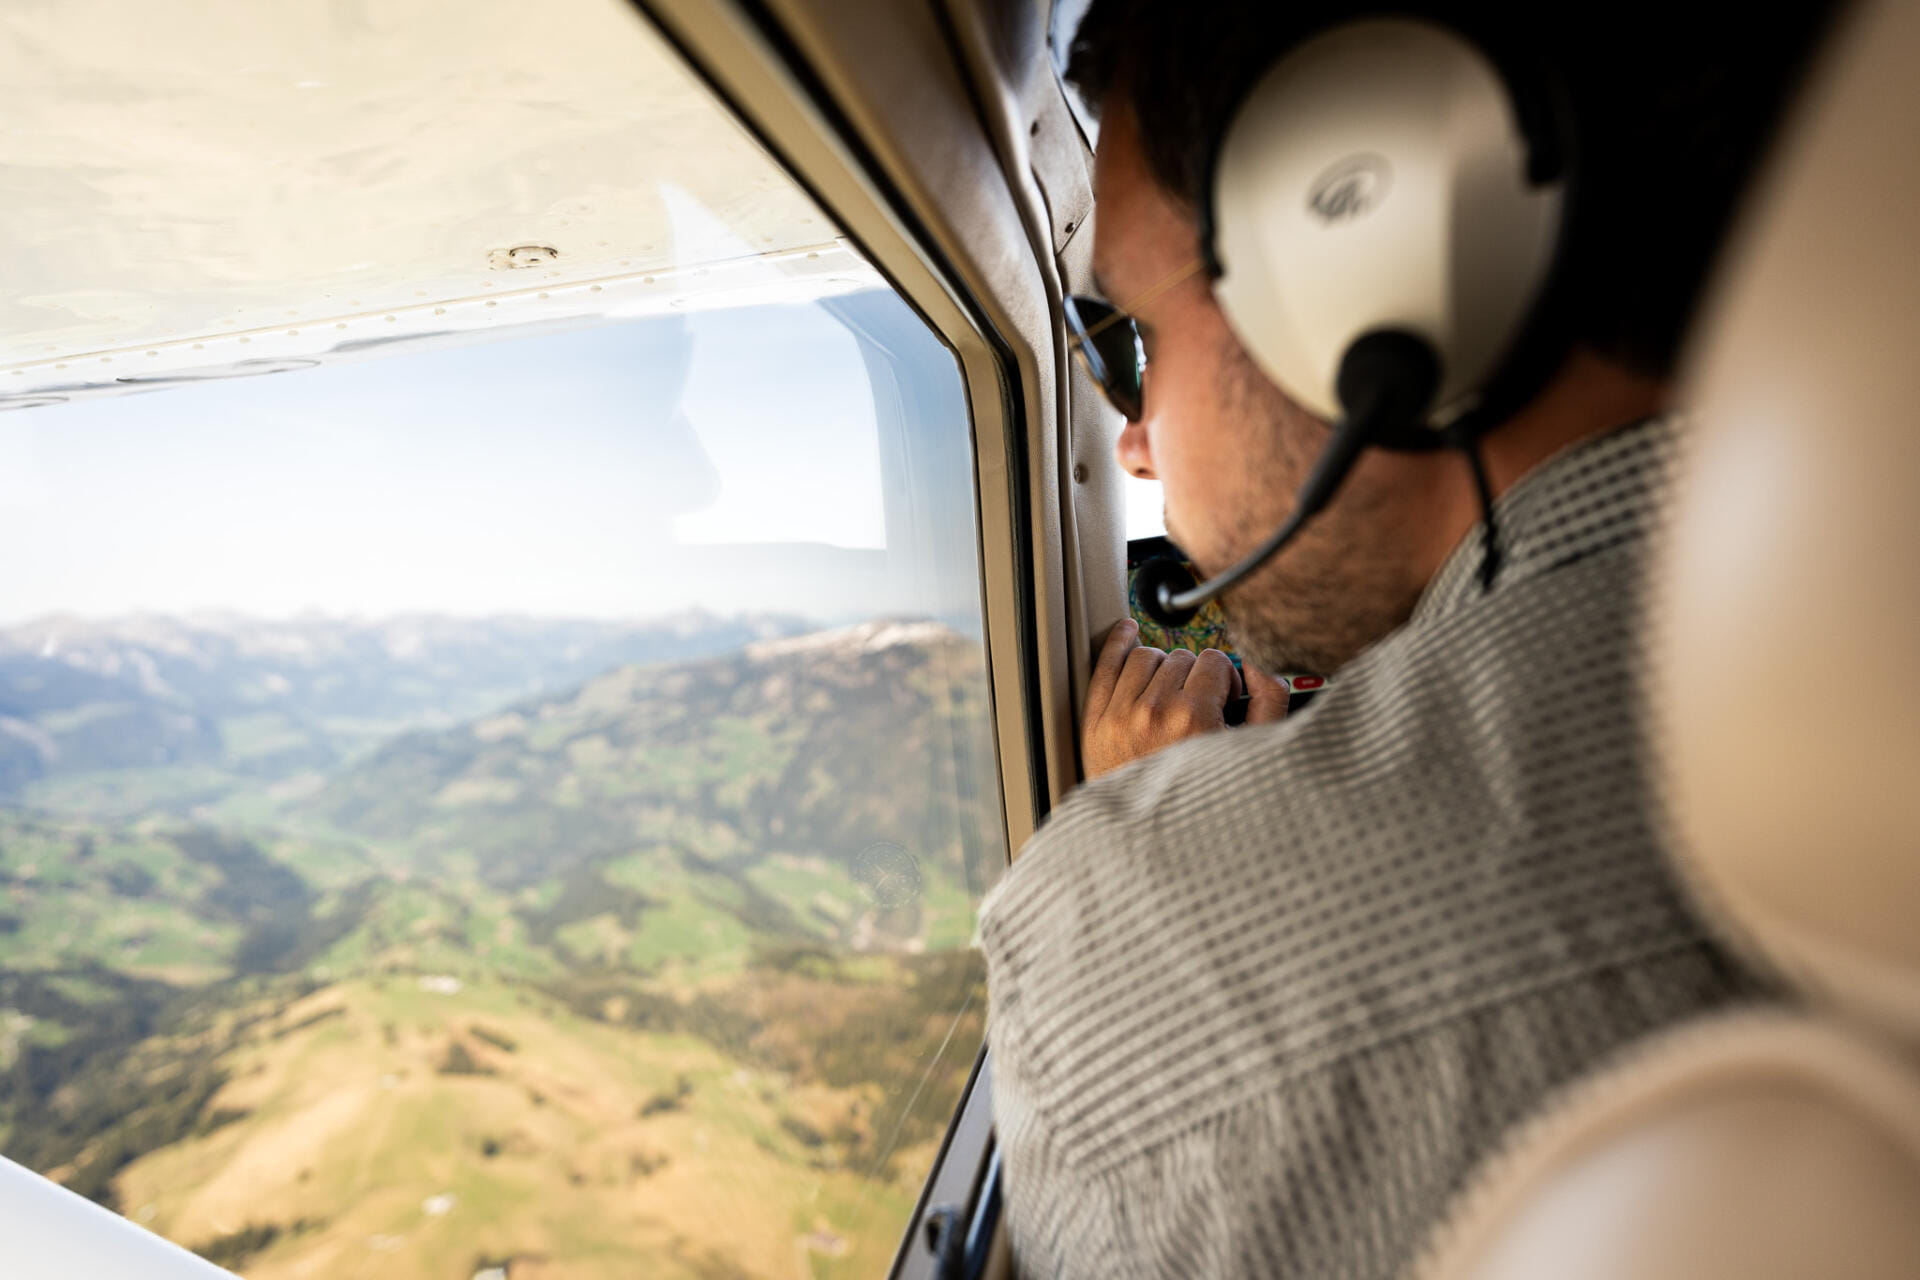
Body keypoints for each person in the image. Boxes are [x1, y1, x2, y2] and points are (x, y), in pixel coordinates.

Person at [975, 3, 1835, 1276]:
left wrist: (1187, 836)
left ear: (1376, 276)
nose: (1137, 441)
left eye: (1137, 339)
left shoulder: (1154, 941)